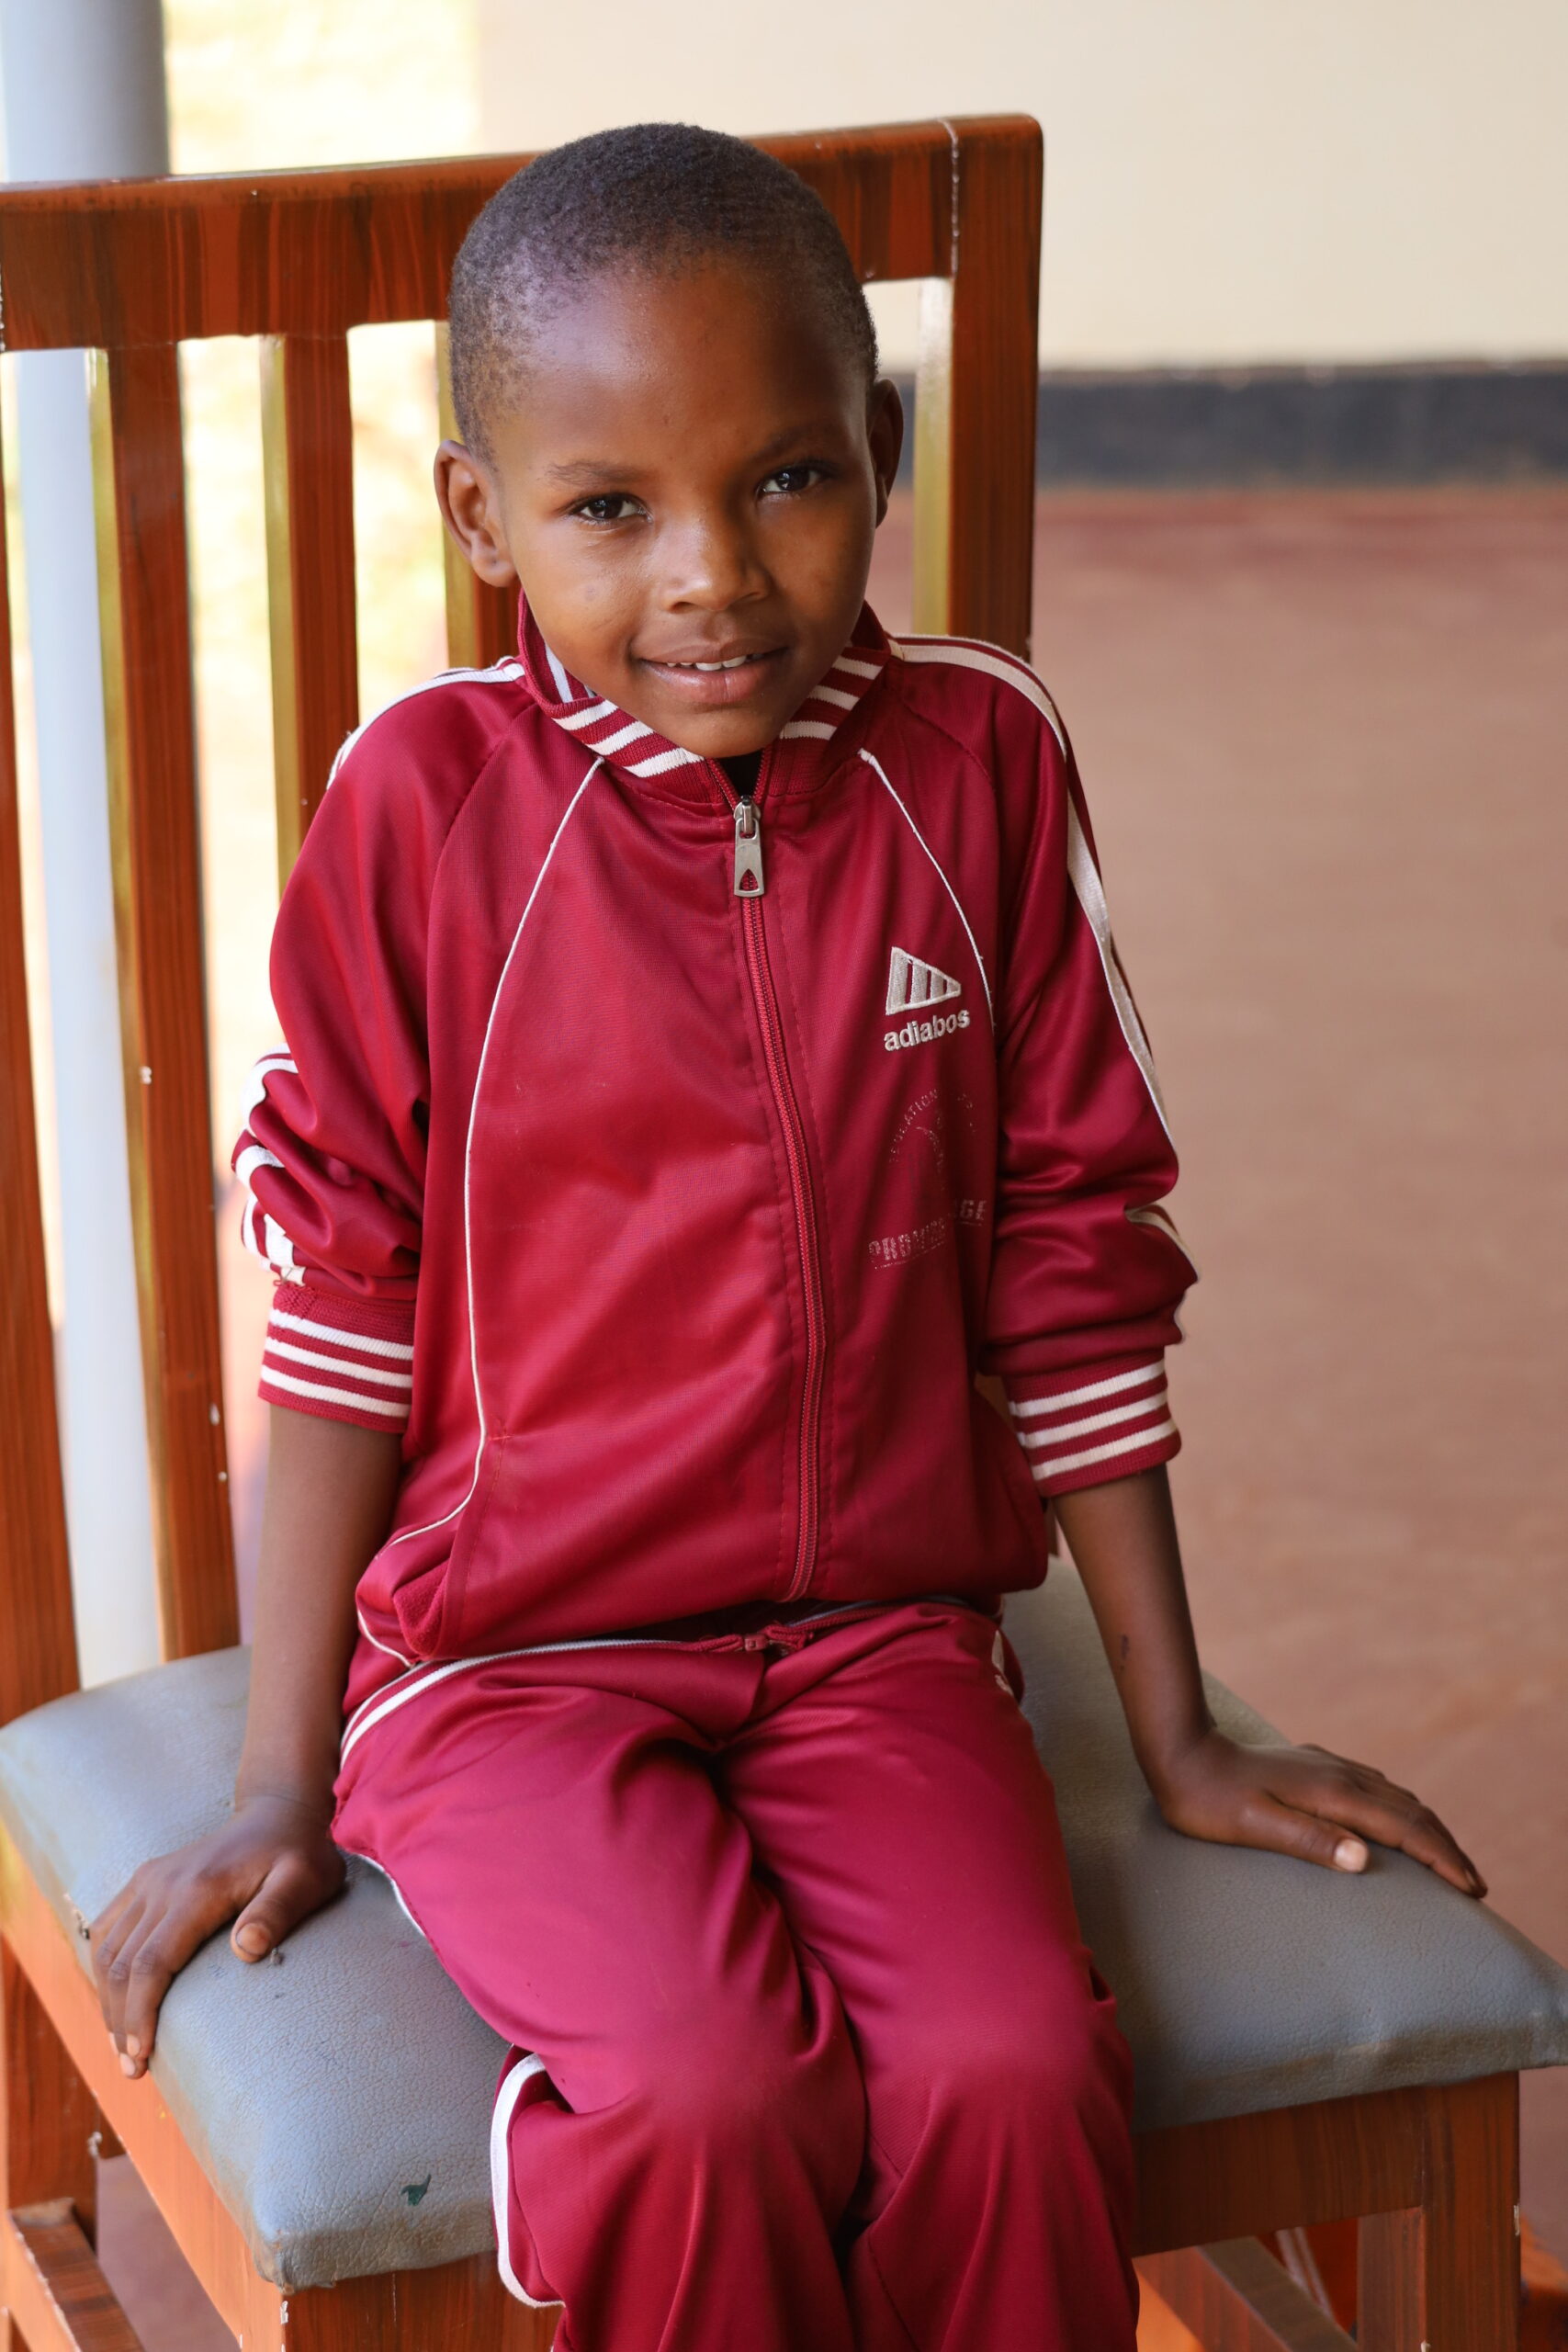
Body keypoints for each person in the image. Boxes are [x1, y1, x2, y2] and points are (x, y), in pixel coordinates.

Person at [88, 123, 1483, 2352]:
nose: (710, 575)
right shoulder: (422, 817)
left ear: (879, 455)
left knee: (1017, 2072)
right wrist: (282, 1773)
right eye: (608, 505)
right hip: (505, 1673)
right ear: (482, 517)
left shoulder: (982, 765)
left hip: (879, 1645)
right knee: (712, 2098)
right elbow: (338, 1305)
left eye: (785, 478)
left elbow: (1070, 1251)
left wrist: (1176, 1725)